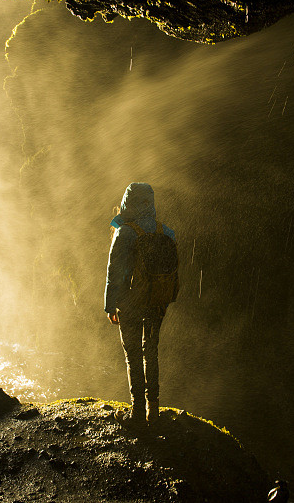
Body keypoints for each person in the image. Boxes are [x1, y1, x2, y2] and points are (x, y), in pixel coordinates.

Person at [104, 182, 178, 428]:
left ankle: (136, 411)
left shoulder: (124, 232)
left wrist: (110, 305)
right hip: (157, 301)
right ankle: (153, 409)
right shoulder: (166, 232)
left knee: (133, 354)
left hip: (130, 301)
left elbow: (115, 273)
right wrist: (165, 298)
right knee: (151, 352)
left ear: (127, 201)